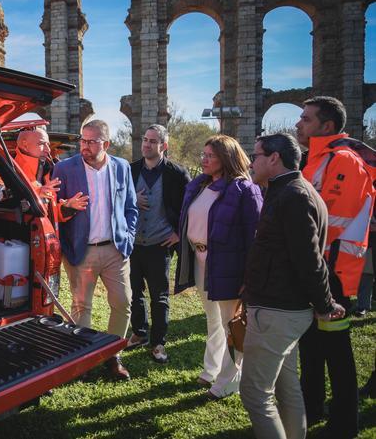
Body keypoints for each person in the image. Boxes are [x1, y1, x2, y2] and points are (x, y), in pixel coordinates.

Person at [240, 133, 345, 439]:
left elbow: (310, 260)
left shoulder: (295, 197)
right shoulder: (287, 191)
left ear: (274, 158)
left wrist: (325, 305)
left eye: (256, 154)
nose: (251, 161)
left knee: (255, 393)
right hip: (283, 308)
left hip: (278, 310)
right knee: (288, 388)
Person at [296, 96, 375, 438]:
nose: (298, 124)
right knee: (310, 344)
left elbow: (331, 223)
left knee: (337, 351)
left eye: (306, 119)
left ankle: (344, 422)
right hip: (315, 269)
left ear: (326, 126)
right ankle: (311, 406)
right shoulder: (316, 160)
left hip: (334, 274)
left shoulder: (343, 160)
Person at [174, 134, 262, 399]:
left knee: (231, 324)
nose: (204, 159)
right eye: (203, 154)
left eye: (210, 156)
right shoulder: (199, 185)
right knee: (213, 320)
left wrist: (249, 275)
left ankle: (228, 381)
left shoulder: (244, 189)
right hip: (201, 261)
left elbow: (254, 236)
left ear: (226, 158)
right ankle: (211, 369)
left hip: (228, 264)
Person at [53, 119, 138, 380]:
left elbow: (131, 208)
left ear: (106, 144)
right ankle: (85, 359)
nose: (85, 146)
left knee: (123, 303)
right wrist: (66, 205)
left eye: (91, 141)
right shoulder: (64, 168)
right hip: (81, 250)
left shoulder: (121, 167)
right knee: (81, 307)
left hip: (115, 249)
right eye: (82, 140)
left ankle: (113, 356)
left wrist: (128, 238)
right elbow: (51, 208)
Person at [126, 124, 191, 362]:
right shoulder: (130, 170)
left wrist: (177, 233)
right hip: (132, 243)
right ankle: (139, 332)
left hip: (159, 243)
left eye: (153, 141)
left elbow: (190, 207)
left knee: (159, 295)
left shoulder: (177, 173)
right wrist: (133, 197)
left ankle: (159, 342)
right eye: (145, 139)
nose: (146, 144)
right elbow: (117, 199)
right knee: (134, 292)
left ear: (164, 146)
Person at [0, 128, 88, 221]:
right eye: (42, 144)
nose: (48, 149)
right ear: (25, 145)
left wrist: (68, 207)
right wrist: (33, 192)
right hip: (18, 240)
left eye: (48, 145)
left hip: (45, 241)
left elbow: (50, 215)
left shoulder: (49, 172)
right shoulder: (7, 168)